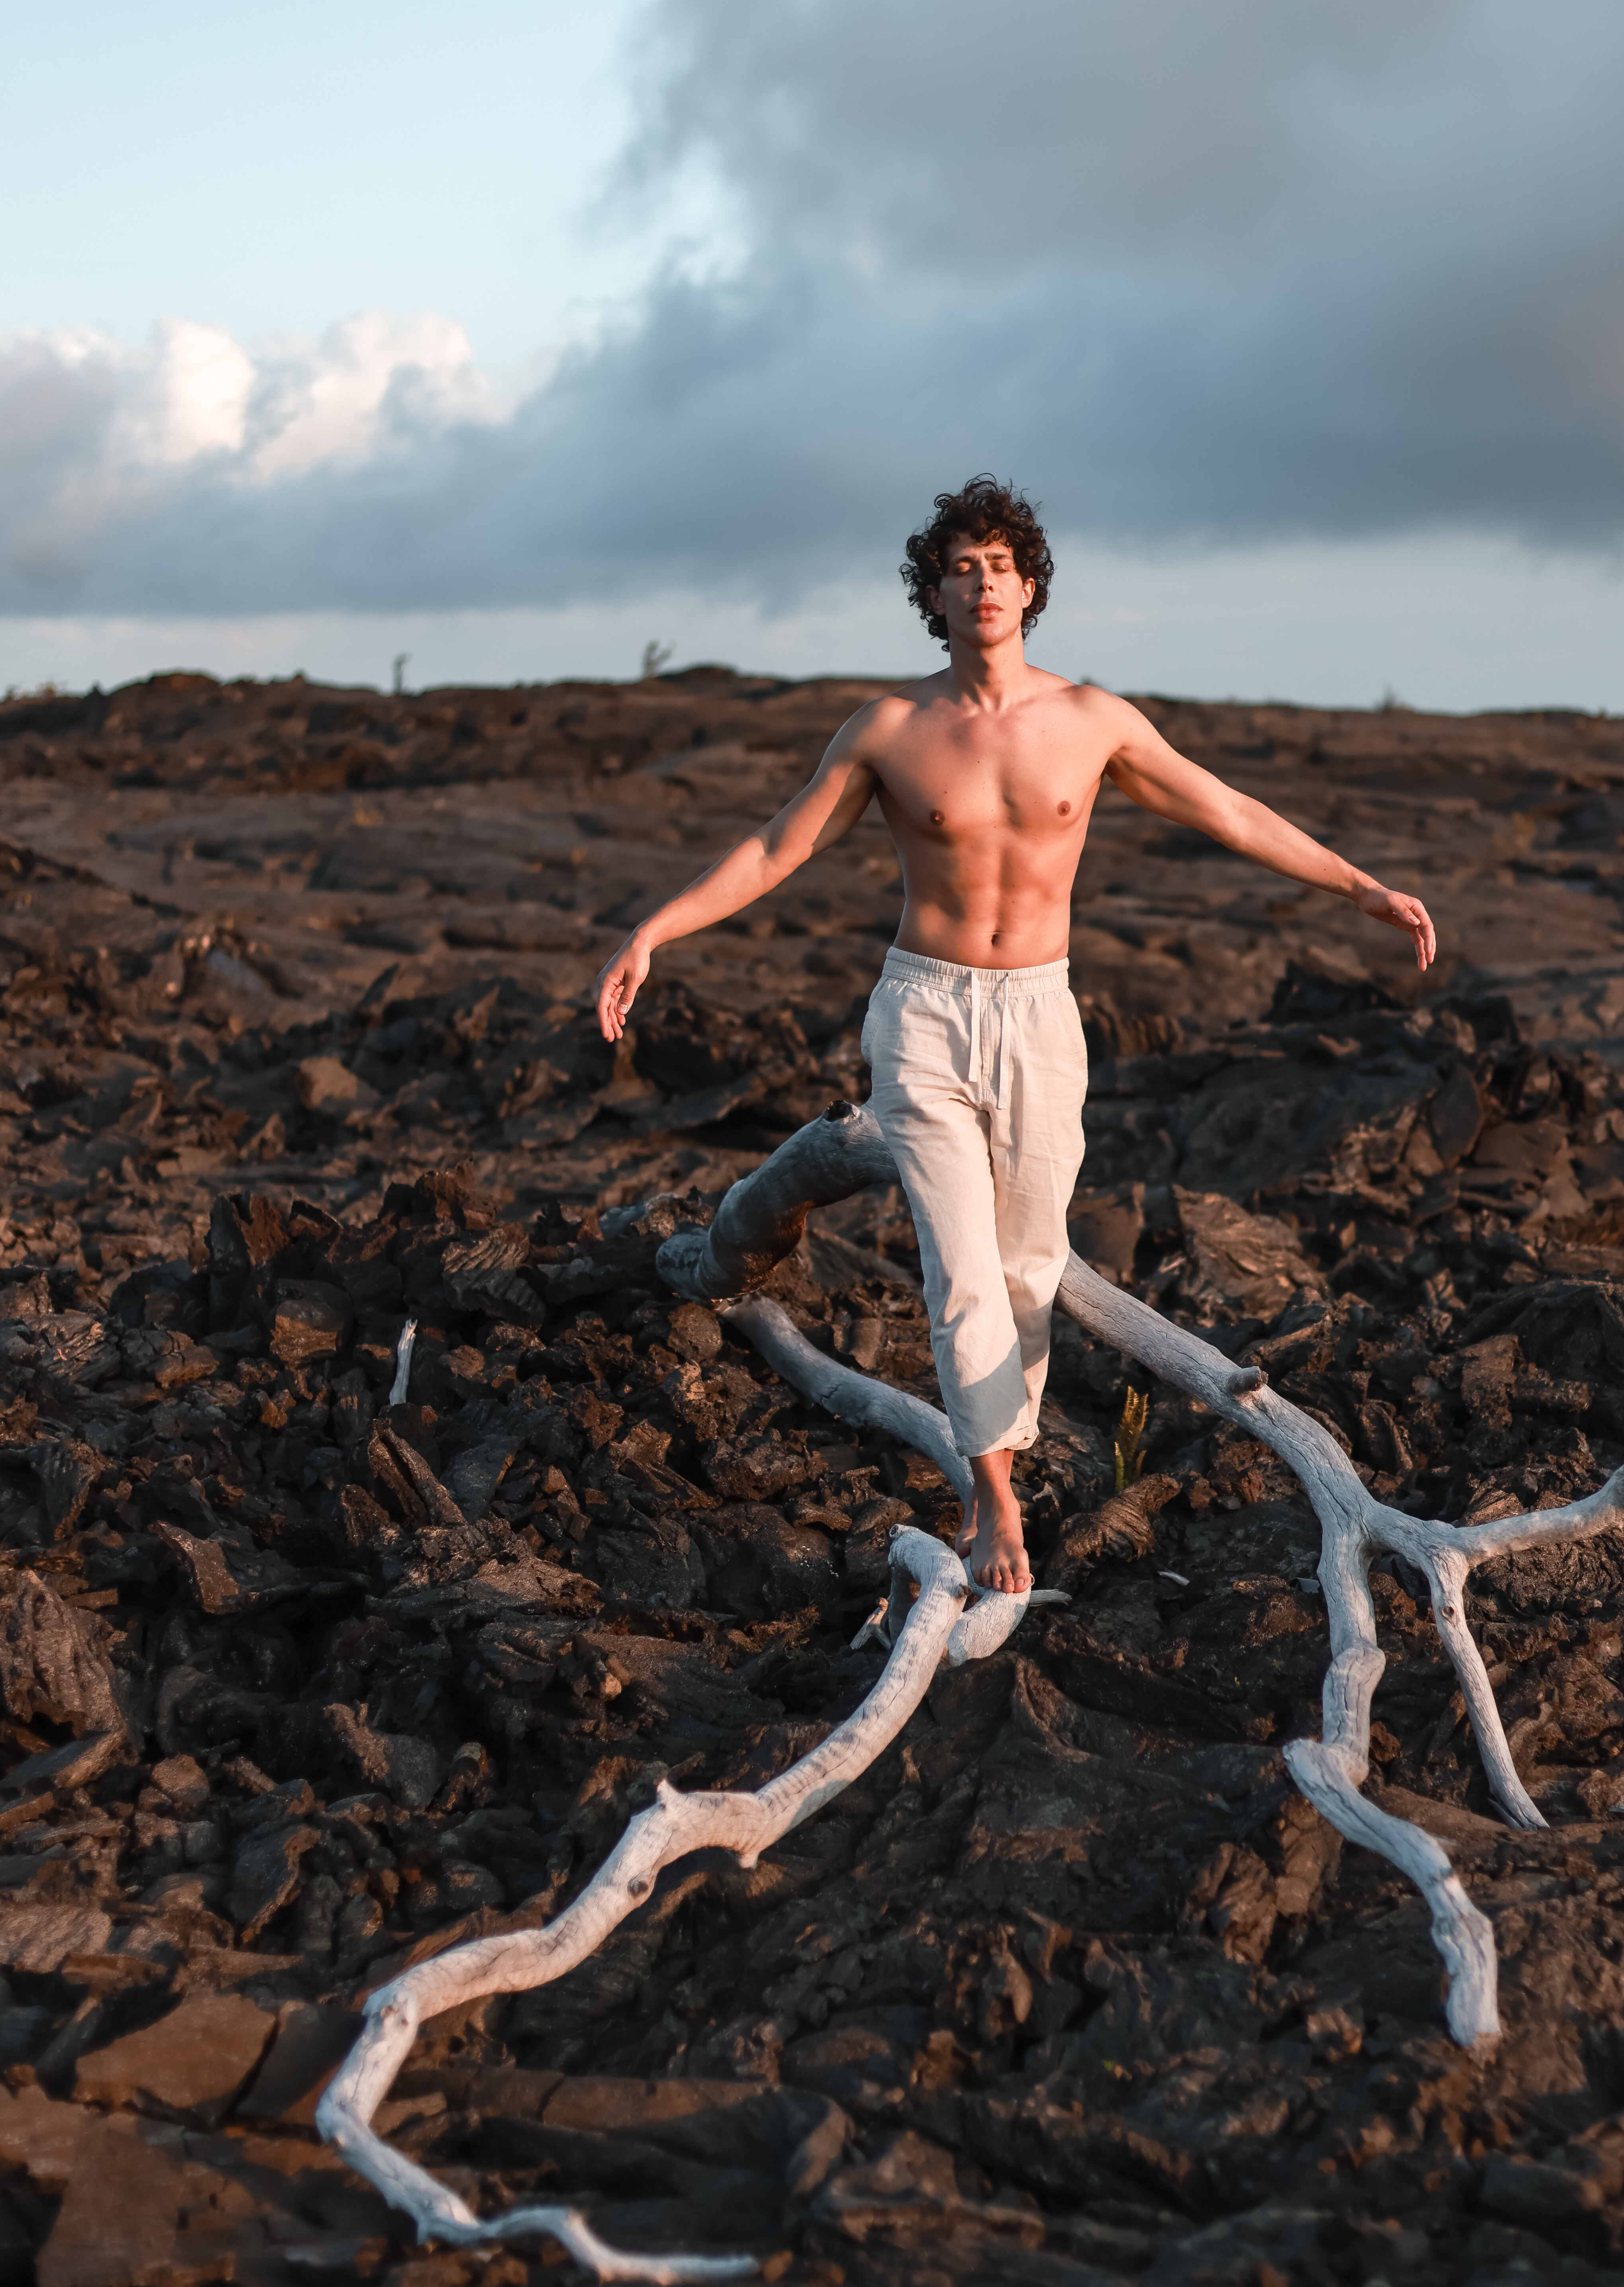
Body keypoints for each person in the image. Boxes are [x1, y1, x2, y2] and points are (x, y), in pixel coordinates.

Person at [596, 476, 1435, 1594]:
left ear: (1029, 588)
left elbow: (1227, 810)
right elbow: (774, 849)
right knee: (960, 1265)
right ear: (933, 597)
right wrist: (652, 930)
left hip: (1041, 1013)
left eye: (1000, 564)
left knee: (1030, 1259)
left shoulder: (1093, 720)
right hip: (926, 1012)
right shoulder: (889, 731)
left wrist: (1360, 888)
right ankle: (992, 1501)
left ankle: (1003, 1445)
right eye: (960, 566)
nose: (981, 581)